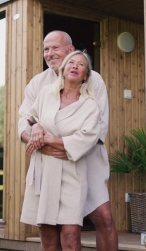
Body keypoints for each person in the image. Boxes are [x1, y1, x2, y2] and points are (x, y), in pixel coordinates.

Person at [18, 31, 118, 250]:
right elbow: (25, 121)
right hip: (48, 160)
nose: (50, 53)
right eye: (46, 49)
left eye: (55, 48)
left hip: (86, 159)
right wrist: (38, 136)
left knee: (104, 218)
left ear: (70, 50)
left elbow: (98, 127)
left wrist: (66, 146)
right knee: (48, 226)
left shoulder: (94, 80)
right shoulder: (39, 85)